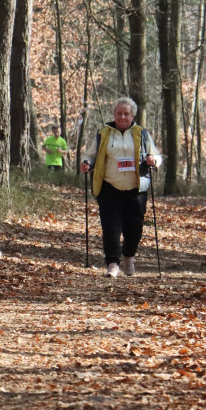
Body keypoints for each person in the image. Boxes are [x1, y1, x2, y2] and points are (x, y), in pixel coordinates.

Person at [80, 97, 161, 278]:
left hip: (136, 188)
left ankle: (129, 256)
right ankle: (113, 263)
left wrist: (153, 161)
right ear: (114, 115)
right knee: (111, 226)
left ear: (132, 116)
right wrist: (86, 163)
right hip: (110, 186)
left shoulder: (142, 134)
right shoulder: (104, 134)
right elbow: (89, 155)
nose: (122, 117)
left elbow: (156, 156)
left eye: (126, 114)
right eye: (119, 113)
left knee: (135, 228)